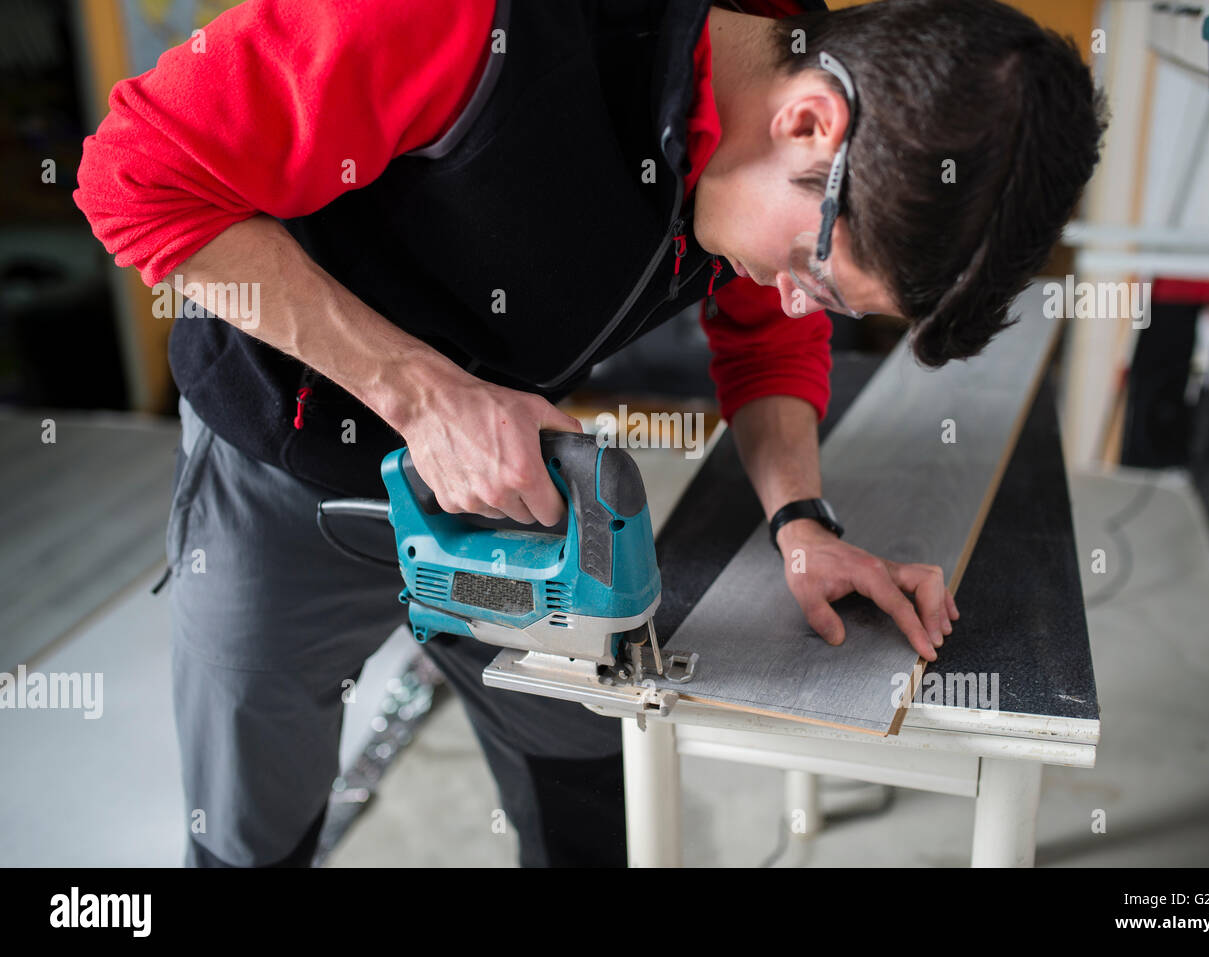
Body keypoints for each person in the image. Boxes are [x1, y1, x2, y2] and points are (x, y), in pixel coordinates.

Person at [74, 0, 1106, 867]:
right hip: (281, 469)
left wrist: (800, 517)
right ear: (808, 126)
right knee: (251, 828)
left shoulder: (779, 61)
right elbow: (133, 179)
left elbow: (761, 337)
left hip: (513, 487)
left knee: (589, 789)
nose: (800, 303)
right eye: (817, 275)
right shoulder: (463, 22)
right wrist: (428, 398)